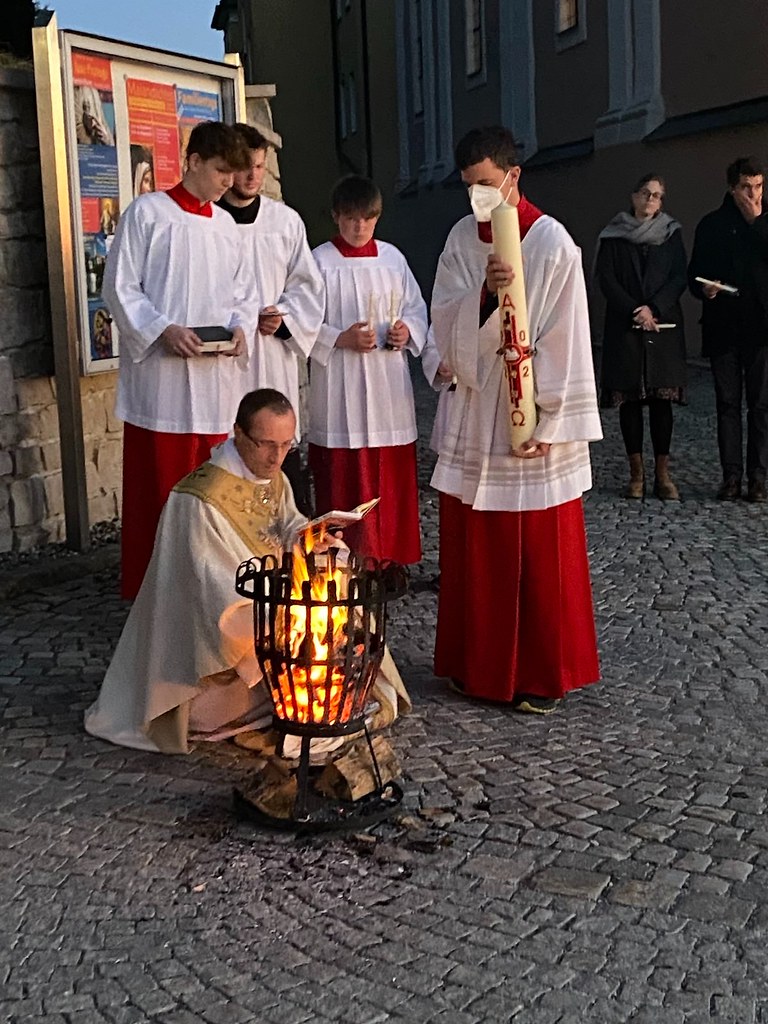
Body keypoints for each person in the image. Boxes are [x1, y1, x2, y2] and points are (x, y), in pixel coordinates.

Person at [84, 389, 410, 755]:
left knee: (337, 593)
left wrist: (310, 539)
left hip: (274, 613)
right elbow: (214, 589)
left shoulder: (274, 477)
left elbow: (285, 527)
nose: (277, 457)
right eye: (266, 444)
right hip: (211, 660)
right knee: (276, 683)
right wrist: (288, 615)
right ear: (238, 432)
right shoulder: (196, 500)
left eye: (287, 444)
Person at [430, 125, 602, 714]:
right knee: (479, 549)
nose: (476, 197)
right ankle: (475, 664)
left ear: (512, 176)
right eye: (467, 187)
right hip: (479, 411)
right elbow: (444, 320)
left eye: (484, 183)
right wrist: (483, 290)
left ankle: (535, 674)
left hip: (527, 418)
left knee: (535, 551)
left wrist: (548, 423)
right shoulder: (459, 238)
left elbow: (567, 335)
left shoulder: (552, 243)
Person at [103, 120, 257, 600]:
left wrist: (238, 328)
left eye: (233, 174)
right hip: (163, 386)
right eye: (220, 171)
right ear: (192, 162)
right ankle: (156, 597)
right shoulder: (147, 214)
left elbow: (242, 292)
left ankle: (210, 591)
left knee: (213, 490)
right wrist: (161, 329)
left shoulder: (227, 225)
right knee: (161, 491)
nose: (227, 183)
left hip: (213, 385)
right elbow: (121, 287)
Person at [308, 175, 429, 564]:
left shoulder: (393, 259)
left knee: (389, 478)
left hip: (387, 388)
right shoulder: (319, 262)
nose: (359, 227)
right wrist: (338, 339)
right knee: (344, 476)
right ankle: (344, 562)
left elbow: (416, 308)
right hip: (340, 387)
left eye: (367, 219)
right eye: (351, 219)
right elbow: (300, 321)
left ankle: (391, 558)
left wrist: (406, 331)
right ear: (336, 217)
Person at [217, 123, 324, 514]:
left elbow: (308, 286)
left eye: (260, 167)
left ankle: (288, 536)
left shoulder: (285, 222)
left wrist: (285, 318)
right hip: (227, 356)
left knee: (278, 445)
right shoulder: (209, 220)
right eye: (245, 167)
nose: (252, 176)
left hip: (272, 353)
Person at [595, 174, 687, 500]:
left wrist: (655, 308)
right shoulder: (614, 235)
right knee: (630, 404)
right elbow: (606, 279)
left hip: (662, 329)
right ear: (633, 196)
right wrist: (636, 309)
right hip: (627, 327)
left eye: (657, 195)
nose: (651, 200)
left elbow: (679, 276)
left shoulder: (671, 234)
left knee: (662, 405)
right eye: (646, 193)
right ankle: (637, 475)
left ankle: (663, 475)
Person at [688, 156, 768, 503]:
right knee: (727, 404)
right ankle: (731, 476)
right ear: (732, 189)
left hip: (762, 328)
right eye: (746, 187)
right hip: (723, 327)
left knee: (762, 405)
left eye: (759, 186)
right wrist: (704, 288)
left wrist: (757, 222)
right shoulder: (712, 225)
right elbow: (694, 274)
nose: (754, 194)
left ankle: (759, 478)